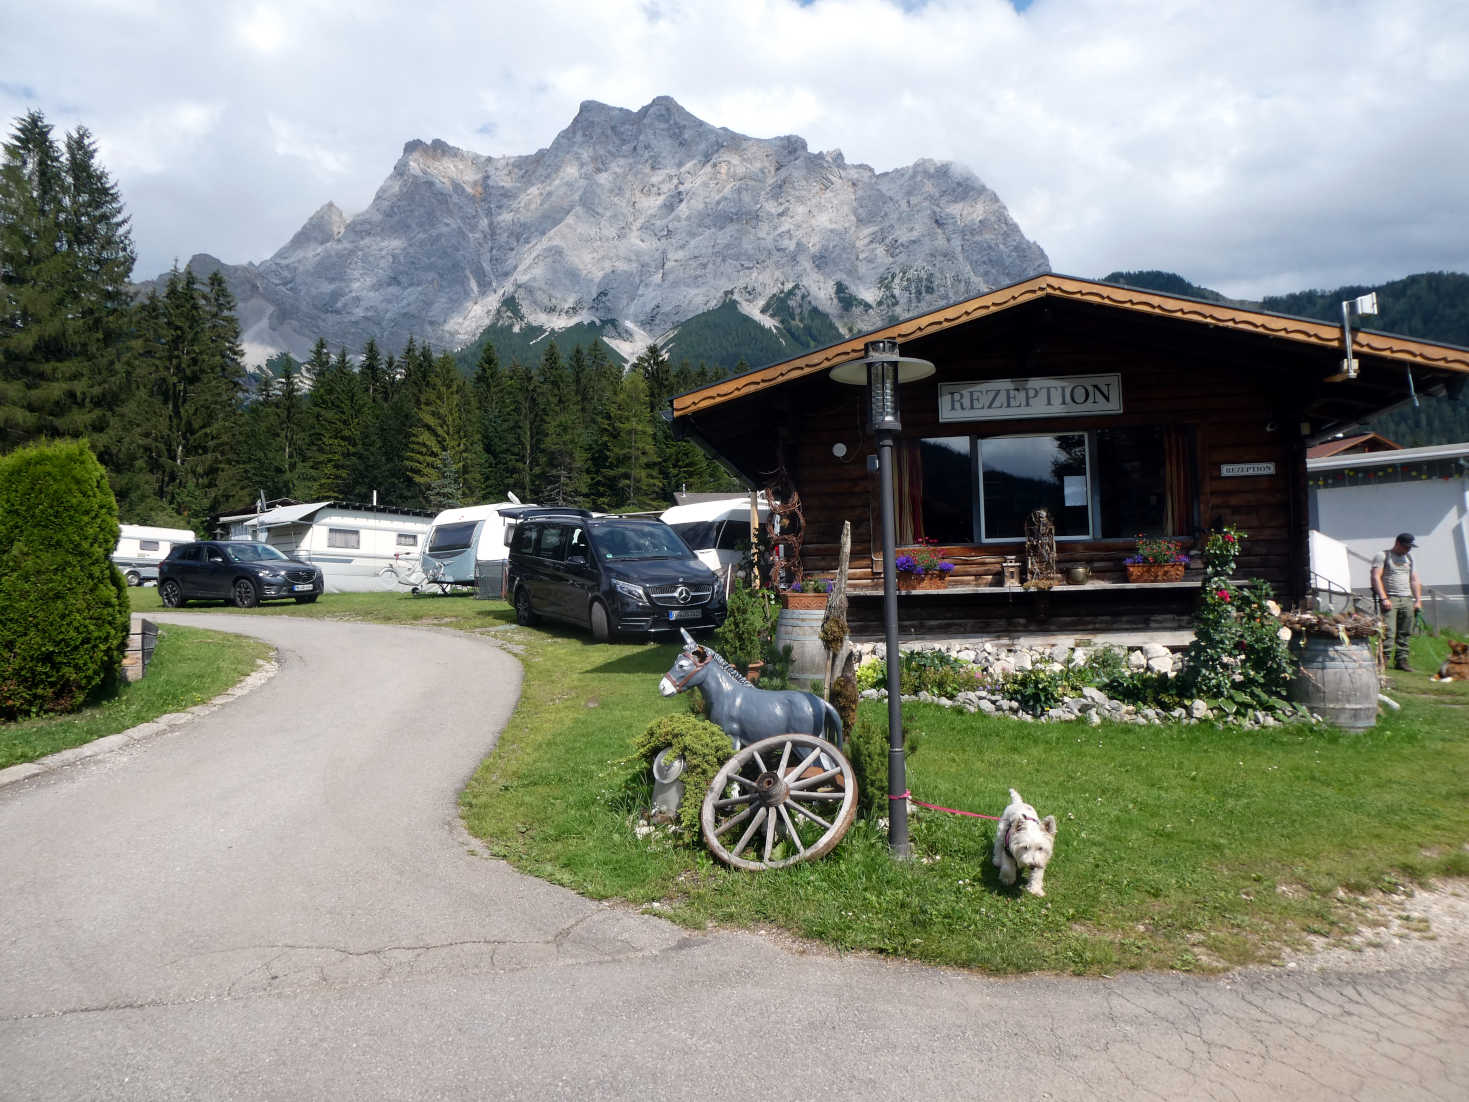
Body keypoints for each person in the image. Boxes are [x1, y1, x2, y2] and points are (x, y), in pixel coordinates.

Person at [1371, 533, 1422, 671]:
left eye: (1410, 547)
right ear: (1398, 543)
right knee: (1388, 631)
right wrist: (1383, 598)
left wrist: (1418, 600)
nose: (1408, 550)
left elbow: (1414, 579)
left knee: (1405, 632)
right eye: (1406, 546)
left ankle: (1402, 660)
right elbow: (1376, 577)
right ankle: (1383, 659)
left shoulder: (1409, 558)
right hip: (1390, 598)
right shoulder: (1383, 555)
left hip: (1407, 599)